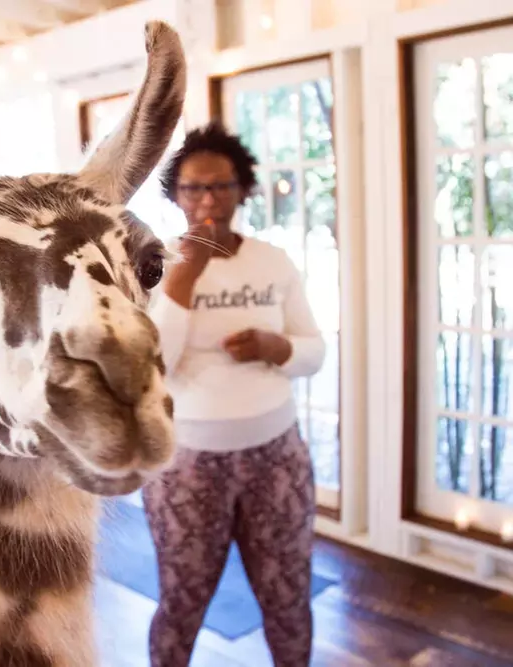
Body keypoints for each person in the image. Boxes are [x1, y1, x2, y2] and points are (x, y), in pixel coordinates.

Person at [144, 122, 325, 667]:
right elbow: (152, 366)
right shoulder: (153, 268)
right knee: (182, 601)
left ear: (243, 190)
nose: (206, 200)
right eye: (193, 188)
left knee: (288, 597)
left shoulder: (272, 262)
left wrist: (278, 347)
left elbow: (315, 351)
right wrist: (186, 272)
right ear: (175, 196)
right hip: (189, 466)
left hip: (278, 457)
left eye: (220, 186)